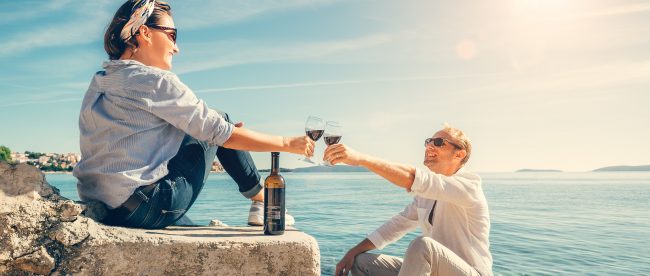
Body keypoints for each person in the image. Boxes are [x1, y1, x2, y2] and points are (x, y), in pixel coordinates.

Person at [73, 0, 314, 229]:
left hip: (107, 207)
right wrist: (287, 143)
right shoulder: (155, 81)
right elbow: (220, 133)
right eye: (172, 35)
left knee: (213, 127)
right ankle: (262, 200)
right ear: (145, 33)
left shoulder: (101, 81)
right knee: (221, 120)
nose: (176, 48)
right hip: (146, 206)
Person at [324, 124, 492, 276]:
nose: (429, 146)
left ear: (459, 154)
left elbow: (414, 178)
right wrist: (352, 252)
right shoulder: (428, 194)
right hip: (437, 270)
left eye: (439, 142)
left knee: (423, 246)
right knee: (360, 262)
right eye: (428, 141)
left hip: (471, 272)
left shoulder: (469, 186)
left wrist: (361, 159)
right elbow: (397, 225)